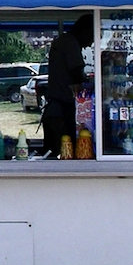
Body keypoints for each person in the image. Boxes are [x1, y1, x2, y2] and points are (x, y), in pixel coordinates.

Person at [40, 15, 95, 159]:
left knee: (54, 151)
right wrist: (91, 84)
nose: (90, 44)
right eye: (91, 37)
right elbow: (76, 75)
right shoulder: (70, 44)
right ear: (85, 31)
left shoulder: (62, 41)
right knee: (66, 152)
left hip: (55, 108)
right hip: (63, 110)